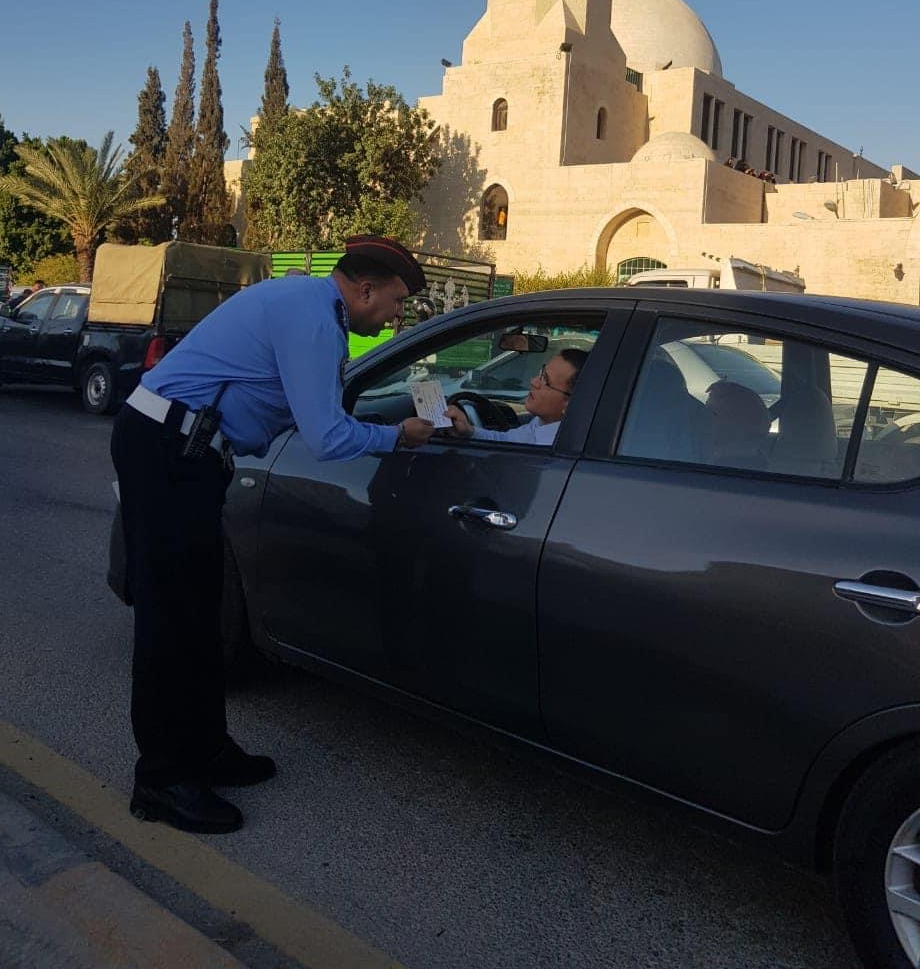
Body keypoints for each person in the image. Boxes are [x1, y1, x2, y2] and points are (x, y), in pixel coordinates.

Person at [110, 235, 435, 835]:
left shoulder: (312, 308)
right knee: (171, 619)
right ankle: (161, 779)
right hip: (166, 450)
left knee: (201, 613)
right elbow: (327, 437)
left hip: (188, 453)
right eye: (396, 302)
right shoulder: (313, 319)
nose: (396, 316)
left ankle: (206, 750)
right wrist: (397, 436)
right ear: (366, 289)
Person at [444, 348, 588, 445]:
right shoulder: (541, 424)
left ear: (569, 403)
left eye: (545, 380)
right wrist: (469, 431)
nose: (533, 381)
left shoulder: (555, 451)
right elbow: (506, 441)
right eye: (541, 373)